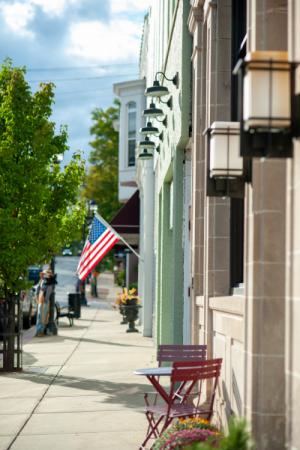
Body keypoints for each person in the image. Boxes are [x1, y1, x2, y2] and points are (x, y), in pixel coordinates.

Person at [35, 269, 54, 337]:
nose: (43, 275)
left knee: (42, 317)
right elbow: (38, 290)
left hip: (44, 302)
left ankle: (40, 331)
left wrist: (44, 300)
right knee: (39, 317)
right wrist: (37, 298)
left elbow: (48, 294)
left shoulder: (49, 283)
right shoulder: (42, 281)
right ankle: (38, 331)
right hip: (41, 301)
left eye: (45, 274)